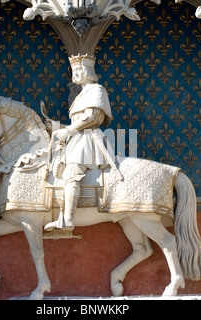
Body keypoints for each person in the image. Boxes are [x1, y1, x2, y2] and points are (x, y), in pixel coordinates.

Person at [44, 54, 114, 231]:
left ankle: (68, 219)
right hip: (77, 138)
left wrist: (68, 130)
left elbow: (93, 117)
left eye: (78, 70)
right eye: (73, 70)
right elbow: (79, 121)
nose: (75, 74)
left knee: (71, 173)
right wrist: (59, 127)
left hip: (88, 139)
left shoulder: (97, 90)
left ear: (87, 71)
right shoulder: (82, 94)